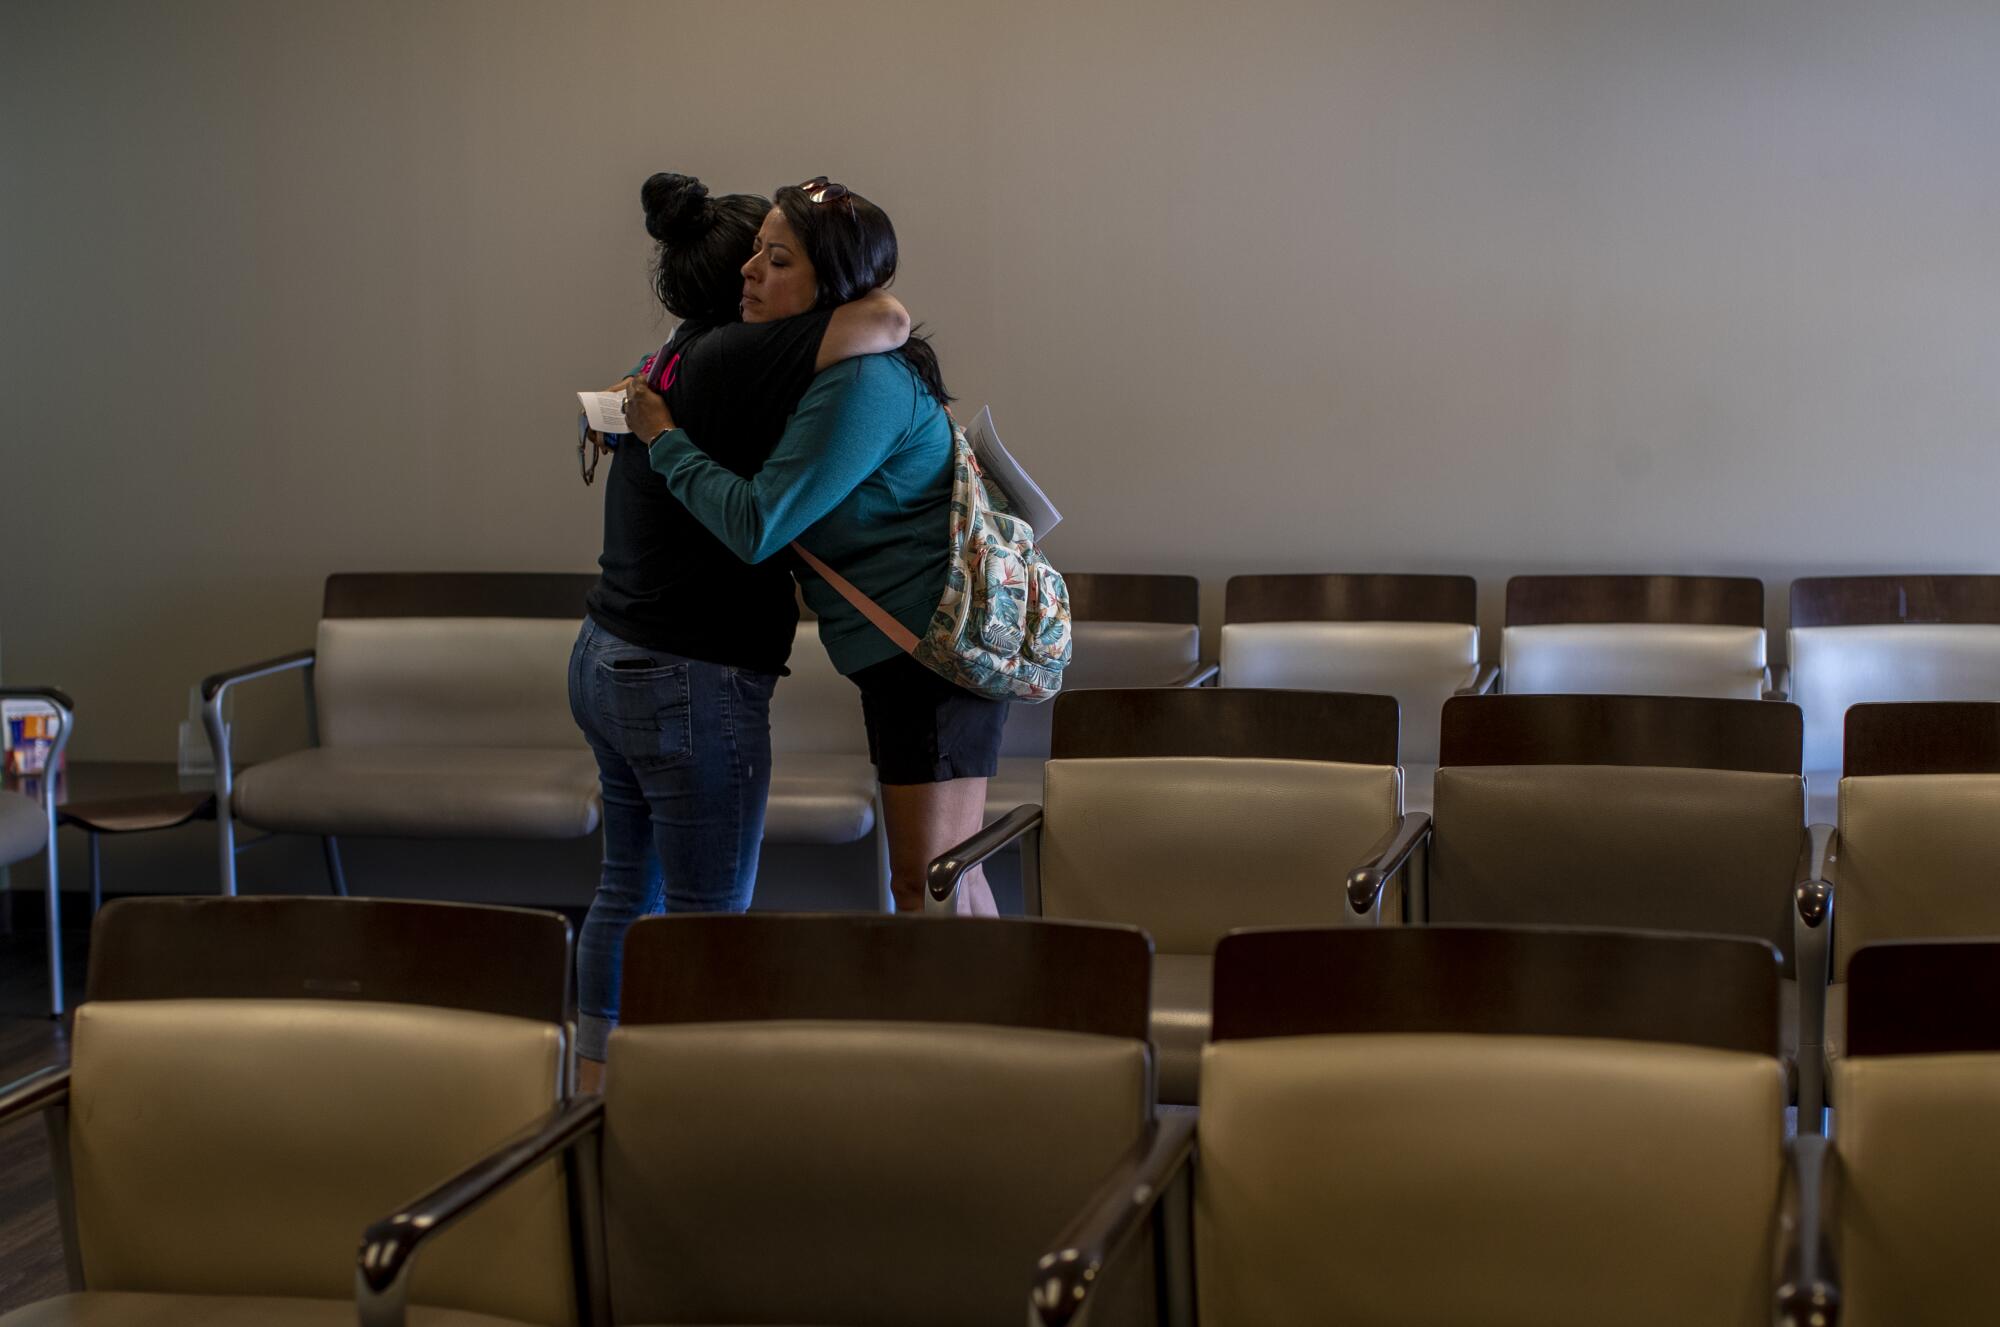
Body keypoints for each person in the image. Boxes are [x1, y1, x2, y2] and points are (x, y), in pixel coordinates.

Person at [572, 172, 911, 1091]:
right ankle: (692, 1102)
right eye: (757, 257)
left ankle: (594, 1090)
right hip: (685, 671)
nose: (765, 273)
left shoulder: (675, 357)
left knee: (623, 891)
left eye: (780, 256)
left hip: (605, 652)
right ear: (733, 286)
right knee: (708, 908)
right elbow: (888, 321)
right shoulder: (737, 355)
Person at [623, 176, 1006, 917]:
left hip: (928, 658)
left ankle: (980, 1029)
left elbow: (759, 524)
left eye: (777, 260)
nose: (749, 270)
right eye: (755, 255)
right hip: (906, 653)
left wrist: (663, 440)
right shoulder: (826, 368)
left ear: (831, 283)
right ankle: (985, 1025)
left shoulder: (863, 383)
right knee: (938, 880)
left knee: (931, 882)